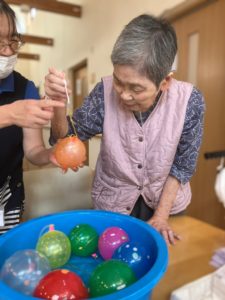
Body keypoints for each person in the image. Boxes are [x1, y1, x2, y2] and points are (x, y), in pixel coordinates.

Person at [45, 14, 205, 246]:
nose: (123, 94)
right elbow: (66, 139)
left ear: (165, 82)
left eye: (136, 88)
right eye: (119, 81)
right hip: (112, 206)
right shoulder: (104, 91)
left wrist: (160, 216)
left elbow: (182, 167)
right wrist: (58, 105)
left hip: (167, 206)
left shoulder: (190, 101)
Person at [0, 0, 64, 234]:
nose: (7, 51)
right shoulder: (16, 105)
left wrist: (50, 154)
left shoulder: (24, 87)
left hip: (5, 197)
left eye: (13, 41)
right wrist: (9, 113)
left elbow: (33, 151)